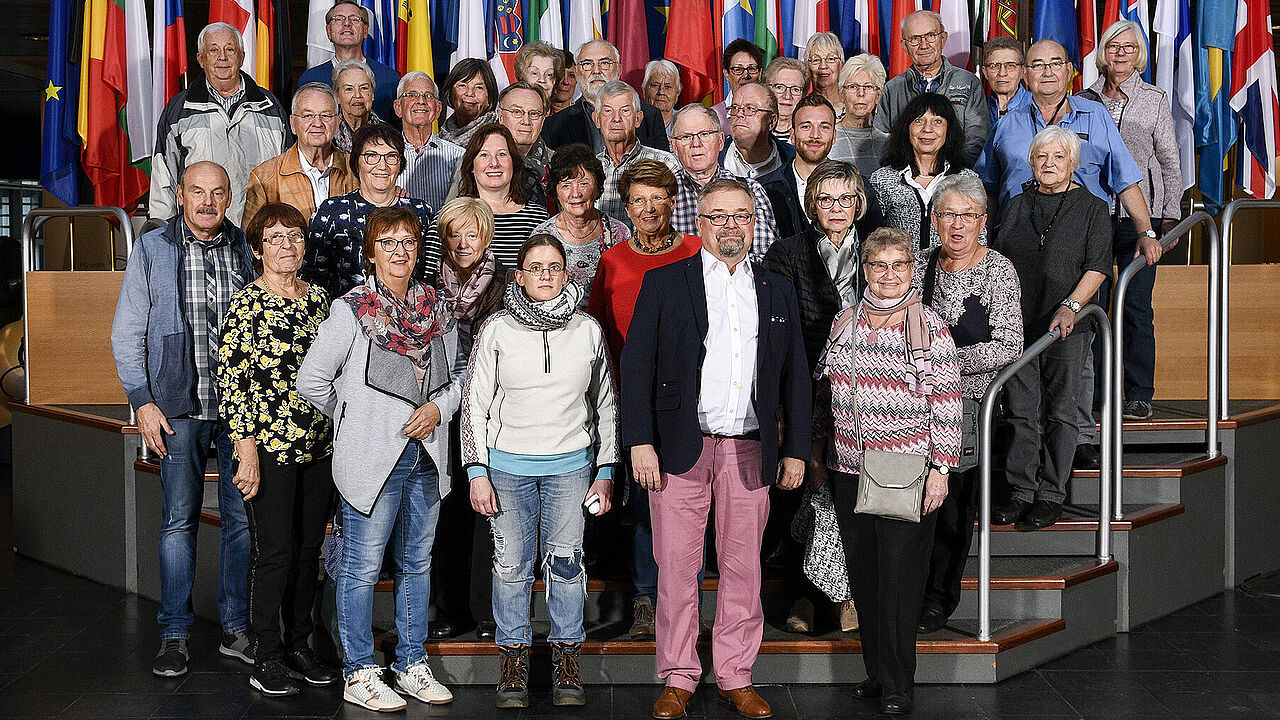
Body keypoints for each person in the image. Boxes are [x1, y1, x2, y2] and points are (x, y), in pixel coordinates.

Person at [621, 178, 810, 720]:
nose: (731, 225)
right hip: (680, 448)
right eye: (719, 215)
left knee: (743, 568)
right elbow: (636, 369)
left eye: (741, 216)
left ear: (753, 224)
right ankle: (678, 676)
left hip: (750, 450)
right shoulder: (665, 283)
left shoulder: (775, 289)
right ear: (698, 223)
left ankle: (735, 675)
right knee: (677, 569)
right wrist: (639, 442)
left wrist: (795, 447)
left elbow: (796, 373)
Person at [296, 206, 462, 712]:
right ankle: (360, 670)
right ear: (371, 252)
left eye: (408, 243)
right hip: (372, 462)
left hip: (426, 458)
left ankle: (411, 663)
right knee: (362, 568)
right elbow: (312, 382)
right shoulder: (350, 311)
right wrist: (355, 417)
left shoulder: (439, 309)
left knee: (416, 564)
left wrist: (438, 407)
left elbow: (459, 379)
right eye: (388, 243)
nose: (399, 252)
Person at [976, 38, 1162, 468]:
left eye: (1055, 63)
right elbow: (987, 186)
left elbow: (1126, 178)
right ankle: (1025, 436)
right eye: (1036, 64)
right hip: (1018, 247)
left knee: (1075, 345)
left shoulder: (1094, 114)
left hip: (1078, 249)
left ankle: (1077, 436)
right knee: (1020, 342)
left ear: (1070, 69)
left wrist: (1146, 230)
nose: (1046, 72)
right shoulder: (1006, 121)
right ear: (1024, 73)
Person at [462, 235, 620, 709]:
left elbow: (607, 404)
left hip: (571, 468)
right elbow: (474, 404)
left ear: (567, 272)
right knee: (511, 567)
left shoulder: (588, 329)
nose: (546, 275)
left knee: (567, 567)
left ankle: (566, 658)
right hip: (506, 468)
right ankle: (513, 659)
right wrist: (477, 471)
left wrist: (606, 468)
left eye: (554, 266)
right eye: (536, 267)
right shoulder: (496, 329)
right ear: (520, 275)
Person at [111, 161, 255, 677]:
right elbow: (127, 331)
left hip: (240, 410)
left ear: (230, 195)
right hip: (176, 408)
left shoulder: (246, 248)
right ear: (179, 194)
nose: (208, 202)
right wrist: (142, 401)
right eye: (197, 192)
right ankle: (174, 633)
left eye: (218, 193)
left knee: (242, 522)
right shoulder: (152, 248)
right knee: (178, 521)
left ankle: (237, 629)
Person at [811, 226, 962, 716]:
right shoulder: (845, 321)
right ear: (866, 270)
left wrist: (941, 468)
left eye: (899, 266)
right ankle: (876, 674)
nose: (890, 275)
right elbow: (825, 386)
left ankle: (899, 683)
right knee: (866, 578)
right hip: (850, 467)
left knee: (900, 581)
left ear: (911, 270)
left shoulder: (929, 326)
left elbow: (947, 401)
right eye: (880, 266)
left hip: (905, 468)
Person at [214, 203, 339, 695]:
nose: (286, 245)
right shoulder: (245, 305)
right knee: (276, 554)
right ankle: (265, 654)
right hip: (268, 448)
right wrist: (245, 452)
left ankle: (299, 644)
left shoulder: (322, 302)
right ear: (257, 248)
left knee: (310, 551)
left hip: (319, 446)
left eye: (294, 236)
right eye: (275, 237)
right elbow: (232, 383)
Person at [586, 159, 703, 641]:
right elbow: (598, 332)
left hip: (689, 401)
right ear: (626, 206)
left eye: (659, 197)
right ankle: (645, 600)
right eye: (639, 199)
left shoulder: (697, 252)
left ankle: (686, 606)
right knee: (641, 502)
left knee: (689, 507)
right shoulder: (613, 261)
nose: (650, 207)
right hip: (630, 398)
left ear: (673, 201)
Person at [909, 175, 1023, 634]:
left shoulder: (998, 270)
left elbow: (1009, 344)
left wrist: (942, 360)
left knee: (952, 507)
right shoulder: (917, 265)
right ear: (934, 220)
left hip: (967, 406)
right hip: (911, 404)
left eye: (967, 216)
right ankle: (906, 591)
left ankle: (939, 597)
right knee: (911, 502)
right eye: (948, 215)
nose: (957, 225)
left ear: (983, 221)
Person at [761, 160, 870, 634]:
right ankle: (808, 595)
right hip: (804, 384)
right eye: (825, 198)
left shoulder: (879, 249)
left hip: (866, 389)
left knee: (845, 488)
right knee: (806, 482)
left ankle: (832, 595)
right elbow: (780, 328)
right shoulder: (786, 252)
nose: (836, 207)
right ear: (811, 204)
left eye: (845, 198)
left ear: (859, 203)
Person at [991, 126, 1112, 530]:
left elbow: (1097, 266)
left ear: (1073, 163)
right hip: (1018, 325)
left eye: (1058, 157)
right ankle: (1021, 491)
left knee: (1061, 412)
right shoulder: (1016, 204)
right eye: (1041, 157)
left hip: (1066, 327)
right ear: (1031, 161)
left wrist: (1072, 305)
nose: (1049, 164)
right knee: (1023, 412)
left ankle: (1050, 494)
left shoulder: (1093, 208)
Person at [1080, 20, 1183, 421]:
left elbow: (1170, 163)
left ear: (1139, 53)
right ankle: (1102, 393)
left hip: (1141, 219)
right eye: (1113, 46)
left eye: (1128, 47)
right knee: (1097, 307)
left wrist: (1168, 218)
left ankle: (1139, 392)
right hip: (1094, 217)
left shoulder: (1154, 100)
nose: (1120, 53)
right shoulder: (1083, 100)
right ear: (1102, 52)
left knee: (1137, 306)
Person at [430, 198, 507, 642]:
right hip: (442, 410)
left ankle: (485, 612)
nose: (462, 243)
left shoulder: (503, 285)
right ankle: (449, 609)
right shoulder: (427, 286)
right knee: (448, 511)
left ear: (486, 238)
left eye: (471, 234)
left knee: (486, 513)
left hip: (489, 412)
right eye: (454, 234)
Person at [149, 23, 290, 226]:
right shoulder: (179, 110)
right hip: (200, 236)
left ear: (241, 57)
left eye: (230, 49)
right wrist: (163, 235)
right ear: (201, 59)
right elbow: (164, 178)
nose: (222, 57)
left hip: (260, 234)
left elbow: (286, 176)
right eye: (213, 50)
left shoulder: (271, 107)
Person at [305, 123, 436, 298]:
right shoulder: (332, 212)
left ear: (400, 164)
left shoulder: (420, 212)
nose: (382, 166)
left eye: (391, 156)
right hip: (347, 318)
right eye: (371, 156)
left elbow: (431, 278)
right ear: (356, 163)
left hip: (409, 317)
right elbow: (312, 280)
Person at [868, 93, 982, 253]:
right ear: (907, 128)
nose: (927, 129)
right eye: (919, 120)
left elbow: (979, 240)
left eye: (937, 121)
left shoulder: (967, 179)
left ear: (948, 129)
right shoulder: (883, 179)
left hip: (951, 274)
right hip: (897, 275)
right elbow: (871, 241)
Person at [874, 11, 990, 165]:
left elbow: (977, 138)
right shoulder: (893, 88)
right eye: (915, 38)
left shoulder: (968, 83)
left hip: (955, 179)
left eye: (930, 36)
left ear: (943, 38)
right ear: (904, 46)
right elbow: (882, 140)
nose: (924, 45)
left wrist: (951, 172)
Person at [670, 105, 778, 261]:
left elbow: (766, 258)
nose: (696, 143)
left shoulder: (751, 190)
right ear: (674, 146)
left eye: (704, 134)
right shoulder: (662, 195)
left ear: (720, 141)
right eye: (686, 137)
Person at [244, 83, 357, 223]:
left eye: (326, 115)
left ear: (337, 123)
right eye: (308, 115)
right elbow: (251, 240)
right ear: (293, 124)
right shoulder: (264, 177)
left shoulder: (358, 169)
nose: (317, 123)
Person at [532, 144, 630, 305]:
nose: (575, 193)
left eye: (583, 183)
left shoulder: (619, 233)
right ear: (555, 191)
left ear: (597, 188)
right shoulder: (543, 236)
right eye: (566, 185)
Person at [541, 39, 672, 152]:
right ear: (577, 72)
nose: (596, 71)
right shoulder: (553, 126)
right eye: (587, 64)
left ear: (619, 70)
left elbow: (662, 173)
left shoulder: (650, 116)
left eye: (604, 63)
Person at [456, 123, 551, 268]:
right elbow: (432, 283)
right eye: (484, 155)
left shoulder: (540, 219)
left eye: (502, 154)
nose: (494, 163)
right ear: (471, 166)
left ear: (513, 162)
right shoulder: (451, 219)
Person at [592, 81, 682, 230]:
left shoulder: (665, 163)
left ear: (638, 119)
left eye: (625, 111)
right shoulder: (591, 169)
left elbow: (678, 222)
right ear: (597, 120)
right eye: (608, 111)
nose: (616, 118)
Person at [295, 0, 400, 120]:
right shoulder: (310, 79)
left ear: (366, 30)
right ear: (328, 31)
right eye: (338, 19)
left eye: (354, 19)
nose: (347, 23)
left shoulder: (389, 78)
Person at [760, 93, 838, 242]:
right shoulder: (764, 189)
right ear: (792, 135)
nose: (815, 135)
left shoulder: (857, 188)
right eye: (806, 126)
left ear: (834, 136)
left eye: (824, 127)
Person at [394, 71, 465, 213]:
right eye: (412, 95)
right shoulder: (382, 159)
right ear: (398, 107)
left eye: (428, 96)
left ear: (438, 109)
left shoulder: (459, 156)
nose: (421, 101)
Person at [831, 54, 891, 181]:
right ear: (841, 95)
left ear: (878, 96)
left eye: (868, 87)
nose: (861, 93)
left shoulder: (887, 142)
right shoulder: (828, 137)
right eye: (853, 87)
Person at [722, 82, 796, 180]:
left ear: (772, 121)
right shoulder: (712, 156)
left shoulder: (794, 159)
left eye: (750, 109)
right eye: (735, 108)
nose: (739, 114)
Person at [495, 81, 554, 204]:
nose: (526, 121)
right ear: (501, 116)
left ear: (542, 121)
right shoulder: (479, 161)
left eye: (534, 114)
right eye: (517, 112)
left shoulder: (556, 163)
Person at [439, 59, 499, 148]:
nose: (470, 93)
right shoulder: (437, 141)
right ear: (450, 93)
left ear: (489, 97)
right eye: (462, 85)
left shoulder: (498, 139)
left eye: (479, 87)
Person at [712, 39, 766, 132]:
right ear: (726, 74)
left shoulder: (768, 113)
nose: (746, 75)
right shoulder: (714, 117)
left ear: (760, 73)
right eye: (738, 69)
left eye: (752, 68)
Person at [332, 60, 385, 153]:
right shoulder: (327, 133)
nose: (357, 95)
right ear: (337, 96)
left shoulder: (387, 134)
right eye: (349, 89)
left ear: (372, 94)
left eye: (364, 88)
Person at [980, 37, 1032, 127]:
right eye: (995, 66)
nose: (1002, 73)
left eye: (1010, 66)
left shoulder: (1037, 105)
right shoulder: (978, 109)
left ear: (1023, 71)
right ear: (985, 72)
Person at [765, 56, 811, 144]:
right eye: (780, 87)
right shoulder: (755, 130)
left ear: (804, 94)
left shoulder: (811, 134)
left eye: (795, 89)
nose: (787, 96)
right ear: (767, 89)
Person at [804, 32, 846, 119]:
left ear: (841, 65)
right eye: (815, 60)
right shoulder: (801, 106)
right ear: (807, 66)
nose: (823, 66)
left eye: (831, 59)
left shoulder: (853, 106)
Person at [642, 60, 682, 135]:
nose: (661, 92)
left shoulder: (685, 123)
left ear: (677, 94)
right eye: (655, 85)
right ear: (644, 91)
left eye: (668, 87)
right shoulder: (634, 123)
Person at [550, 50, 578, 115]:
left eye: (571, 75)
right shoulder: (537, 115)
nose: (566, 82)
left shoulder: (584, 116)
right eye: (560, 74)